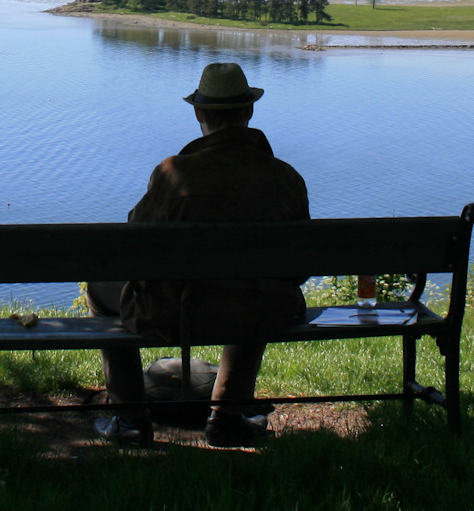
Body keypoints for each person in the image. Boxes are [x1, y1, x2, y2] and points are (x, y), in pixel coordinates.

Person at [88, 61, 310, 448]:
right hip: (263, 309)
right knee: (255, 291)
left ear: (198, 113)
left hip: (178, 313)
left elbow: (131, 250)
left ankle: (130, 419)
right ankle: (226, 418)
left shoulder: (173, 173)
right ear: (249, 111)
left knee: (97, 291)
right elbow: (302, 267)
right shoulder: (285, 177)